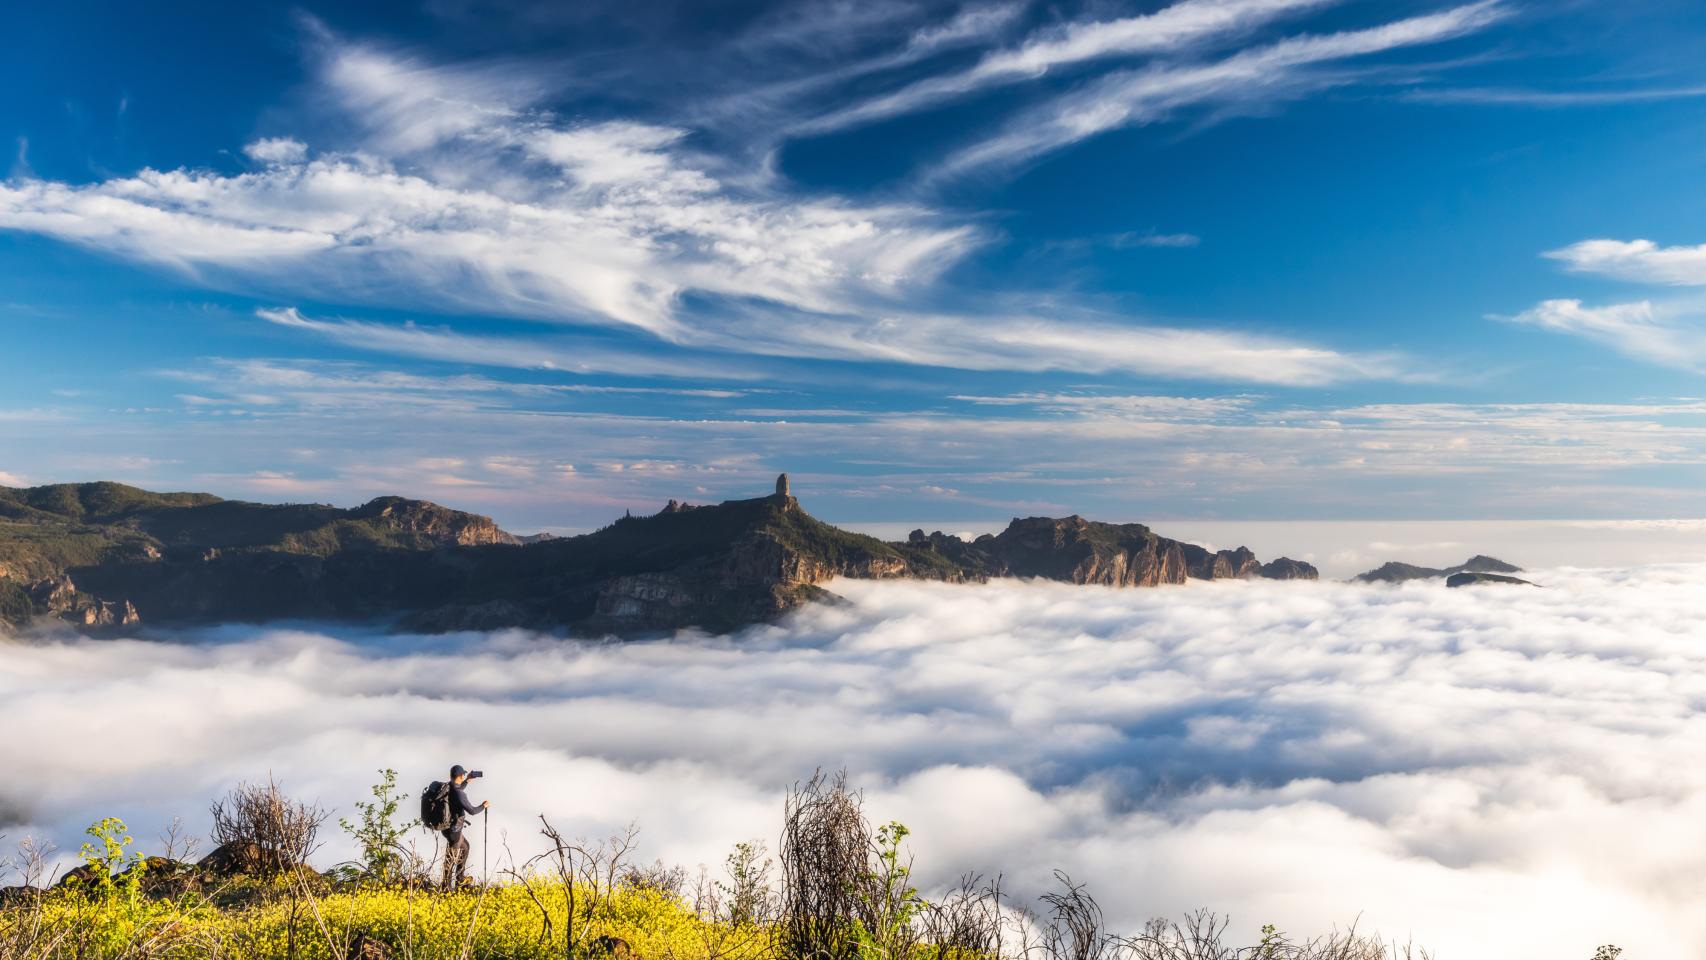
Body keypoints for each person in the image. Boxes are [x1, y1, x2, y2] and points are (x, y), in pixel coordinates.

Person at [440, 764, 489, 889]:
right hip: (454, 830)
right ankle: (446, 888)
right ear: (460, 776)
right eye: (463, 776)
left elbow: (458, 788)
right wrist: (483, 806)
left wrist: (467, 780)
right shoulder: (459, 794)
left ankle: (460, 879)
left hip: (446, 828)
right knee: (450, 859)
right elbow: (472, 811)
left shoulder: (448, 786)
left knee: (465, 848)